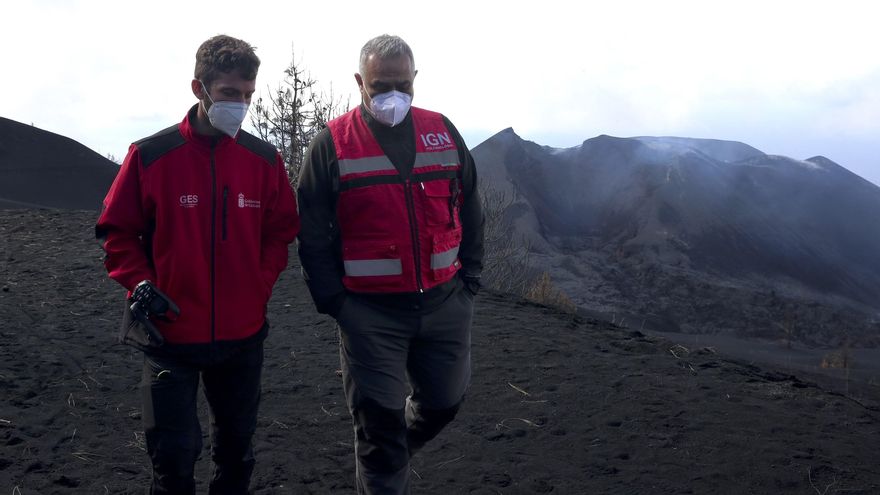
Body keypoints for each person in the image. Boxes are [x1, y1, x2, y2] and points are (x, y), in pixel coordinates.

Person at [95, 34, 299, 494]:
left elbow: (281, 231)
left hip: (242, 337)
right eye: (229, 94)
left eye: (248, 95)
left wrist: (259, 284)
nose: (241, 104)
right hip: (169, 335)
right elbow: (117, 231)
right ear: (198, 88)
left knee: (236, 454)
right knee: (172, 459)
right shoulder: (150, 156)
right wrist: (139, 282)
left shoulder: (264, 161)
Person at [296, 34, 484, 494]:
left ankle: (390, 448)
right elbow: (311, 230)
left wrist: (471, 280)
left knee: (444, 403)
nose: (393, 95)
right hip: (371, 315)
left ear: (416, 79)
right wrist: (337, 304)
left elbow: (472, 205)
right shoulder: (332, 145)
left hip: (445, 306)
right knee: (378, 428)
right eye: (381, 86)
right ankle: (383, 458)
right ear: (360, 81)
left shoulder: (442, 130)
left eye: (403, 84)